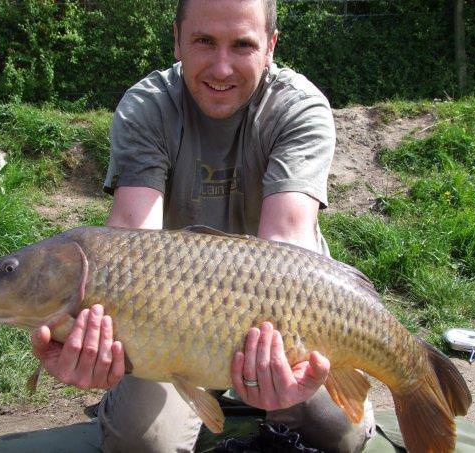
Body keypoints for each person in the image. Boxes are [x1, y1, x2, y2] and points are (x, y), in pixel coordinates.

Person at [31, 0, 374, 451]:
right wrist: (92, 331)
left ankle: (277, 401)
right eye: (204, 41)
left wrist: (278, 359)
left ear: (270, 46)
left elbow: (287, 243)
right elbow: (129, 241)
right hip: (167, 322)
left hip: (285, 316)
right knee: (141, 443)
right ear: (177, 40)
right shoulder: (147, 107)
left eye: (243, 45)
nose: (221, 66)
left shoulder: (298, 108)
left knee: (342, 435)